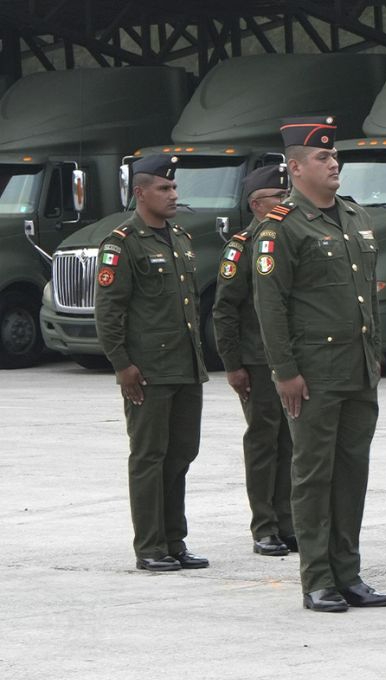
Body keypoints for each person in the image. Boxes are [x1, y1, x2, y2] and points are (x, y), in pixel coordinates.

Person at [254, 116, 386, 612]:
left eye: (335, 157)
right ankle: (317, 577)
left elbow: (368, 298)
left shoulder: (355, 217)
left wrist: (373, 353)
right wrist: (284, 370)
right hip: (312, 372)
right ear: (294, 167)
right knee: (314, 473)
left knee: (352, 472)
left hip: (356, 368)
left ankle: (348, 572)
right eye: (322, 157)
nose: (334, 163)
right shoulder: (279, 227)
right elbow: (271, 305)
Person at [95, 154, 209, 573]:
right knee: (149, 456)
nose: (173, 194)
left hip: (185, 366)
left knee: (181, 454)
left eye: (174, 187)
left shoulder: (179, 238)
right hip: (148, 370)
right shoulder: (122, 242)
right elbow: (109, 311)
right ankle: (149, 546)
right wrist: (123, 365)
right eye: (164, 188)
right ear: (140, 193)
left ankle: (174, 539)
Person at [212, 164, 295, 557]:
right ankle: (264, 525)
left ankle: (288, 521)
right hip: (257, 360)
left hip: (291, 358)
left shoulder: (287, 240)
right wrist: (233, 364)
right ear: (257, 204)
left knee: (292, 442)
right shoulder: (241, 247)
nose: (285, 203)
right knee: (264, 442)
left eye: (286, 196)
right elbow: (225, 309)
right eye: (277, 198)